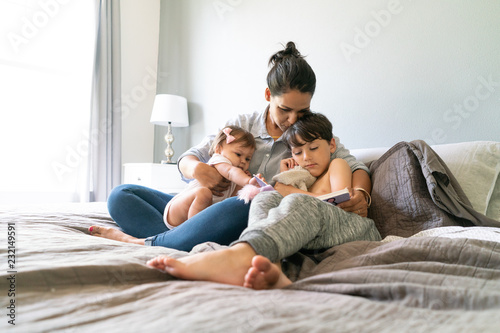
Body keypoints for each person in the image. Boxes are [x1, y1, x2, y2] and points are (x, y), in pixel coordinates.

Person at [89, 41, 372, 251]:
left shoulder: (308, 135)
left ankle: (146, 243)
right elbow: (190, 158)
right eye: (285, 109)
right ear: (267, 95)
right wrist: (200, 170)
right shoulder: (242, 124)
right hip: (201, 207)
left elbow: (357, 166)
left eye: (302, 110)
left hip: (238, 215)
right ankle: (184, 238)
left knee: (247, 203)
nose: (292, 119)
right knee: (121, 195)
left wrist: (360, 193)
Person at [146, 112, 382, 289]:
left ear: (331, 145)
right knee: (263, 199)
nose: (306, 157)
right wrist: (285, 179)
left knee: (299, 203)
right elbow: (281, 194)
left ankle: (238, 257)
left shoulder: (337, 165)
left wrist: (292, 192)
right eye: (298, 152)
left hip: (351, 226)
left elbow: (337, 203)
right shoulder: (303, 177)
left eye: (313, 148)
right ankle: (272, 267)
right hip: (316, 228)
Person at [164, 126, 258, 229]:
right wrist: (247, 181)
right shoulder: (219, 160)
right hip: (177, 211)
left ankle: (195, 231)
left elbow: (231, 202)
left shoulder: (237, 176)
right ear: (218, 149)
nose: (243, 161)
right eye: (238, 154)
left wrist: (241, 186)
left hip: (198, 215)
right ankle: (194, 232)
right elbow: (230, 172)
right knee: (203, 193)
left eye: (248, 158)